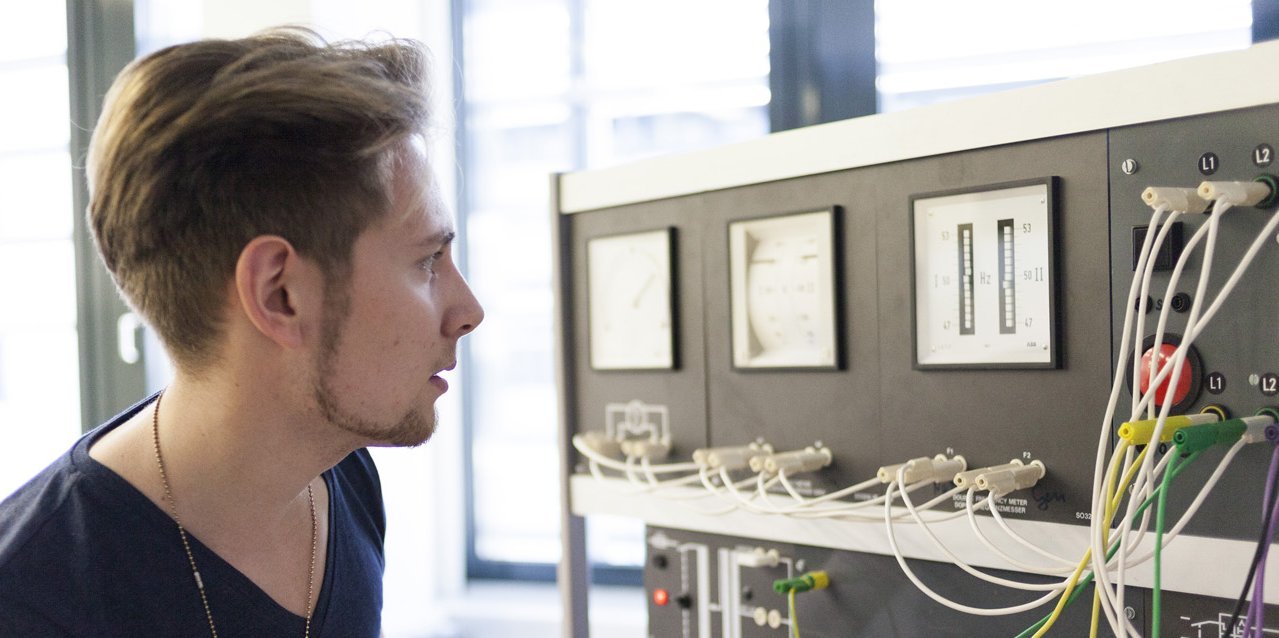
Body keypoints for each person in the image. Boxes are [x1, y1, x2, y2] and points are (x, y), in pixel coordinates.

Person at [0, 26, 482, 637]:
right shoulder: (32, 602)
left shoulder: (343, 477)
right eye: (427, 261)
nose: (468, 310)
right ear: (279, 294)